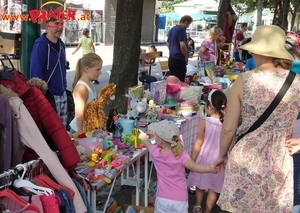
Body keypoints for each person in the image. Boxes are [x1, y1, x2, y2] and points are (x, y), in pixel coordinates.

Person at [214, 25, 300, 212]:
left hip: (245, 157)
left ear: (258, 52)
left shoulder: (244, 80)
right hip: (280, 159)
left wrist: (221, 155)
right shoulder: (297, 82)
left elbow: (228, 128)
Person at [138, 120, 219, 213]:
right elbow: (193, 167)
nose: (154, 136)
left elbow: (147, 143)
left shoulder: (155, 152)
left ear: (160, 140)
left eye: (155, 135)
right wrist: (210, 168)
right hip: (180, 199)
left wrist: (144, 137)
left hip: (162, 198)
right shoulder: (180, 154)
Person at [187, 90, 227, 213]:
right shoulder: (226, 124)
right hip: (219, 160)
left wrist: (191, 161)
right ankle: (208, 210)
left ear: (209, 107)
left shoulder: (204, 122)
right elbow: (230, 144)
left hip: (204, 159)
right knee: (213, 188)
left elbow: (198, 143)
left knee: (200, 184)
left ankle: (198, 205)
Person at [30, 17, 68, 127]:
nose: (60, 27)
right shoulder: (40, 45)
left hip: (62, 94)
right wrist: (42, 97)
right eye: (56, 23)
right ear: (47, 24)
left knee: (63, 132)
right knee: (51, 132)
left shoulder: (61, 45)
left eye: (61, 23)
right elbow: (35, 76)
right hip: (49, 96)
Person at [69, 53, 102, 133]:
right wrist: (81, 133)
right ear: (87, 69)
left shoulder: (89, 84)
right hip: (80, 130)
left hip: (88, 128)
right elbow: (79, 114)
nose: (100, 72)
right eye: (98, 69)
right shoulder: (82, 88)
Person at [167, 15, 193, 82]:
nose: (188, 27)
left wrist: (172, 50)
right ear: (186, 22)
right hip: (179, 59)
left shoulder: (172, 29)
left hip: (171, 58)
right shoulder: (182, 30)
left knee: (172, 80)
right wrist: (186, 56)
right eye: (188, 24)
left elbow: (168, 43)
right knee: (179, 81)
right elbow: (182, 45)